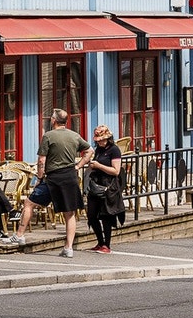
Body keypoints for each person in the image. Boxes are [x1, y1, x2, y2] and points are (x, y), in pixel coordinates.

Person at [10, 108, 90, 257]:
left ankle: (19, 235)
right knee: (69, 213)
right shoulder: (75, 136)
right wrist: (78, 166)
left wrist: (39, 178)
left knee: (29, 203)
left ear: (53, 120)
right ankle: (69, 248)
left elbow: (42, 159)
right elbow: (90, 150)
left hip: (53, 177)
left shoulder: (48, 136)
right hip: (70, 176)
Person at [82, 124, 123, 253]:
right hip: (95, 185)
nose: (99, 142)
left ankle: (107, 244)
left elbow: (116, 171)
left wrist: (99, 166)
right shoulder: (98, 150)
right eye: (97, 141)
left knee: (106, 216)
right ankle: (100, 241)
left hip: (108, 186)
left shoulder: (114, 150)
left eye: (102, 140)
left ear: (108, 138)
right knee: (91, 215)